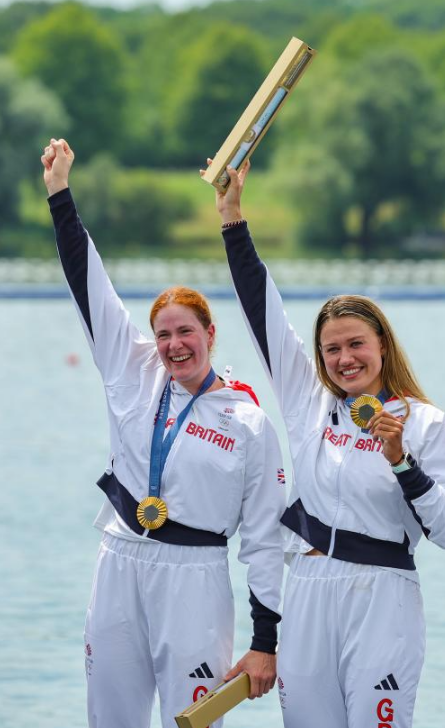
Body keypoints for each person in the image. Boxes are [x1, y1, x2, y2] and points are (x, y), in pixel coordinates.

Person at [208, 161, 445, 728]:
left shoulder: (424, 423)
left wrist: (404, 463)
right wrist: (233, 218)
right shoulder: (309, 403)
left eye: (356, 343)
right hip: (306, 592)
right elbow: (264, 314)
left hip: (383, 595)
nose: (344, 359)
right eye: (331, 350)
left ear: (382, 344)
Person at [42, 139, 286, 728]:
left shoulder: (248, 419)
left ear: (210, 333)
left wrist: (266, 639)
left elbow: (264, 540)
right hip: (120, 559)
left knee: (193, 722)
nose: (174, 344)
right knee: (111, 718)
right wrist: (59, 194)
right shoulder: (133, 369)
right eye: (163, 333)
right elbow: (88, 283)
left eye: (186, 332)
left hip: (196, 578)